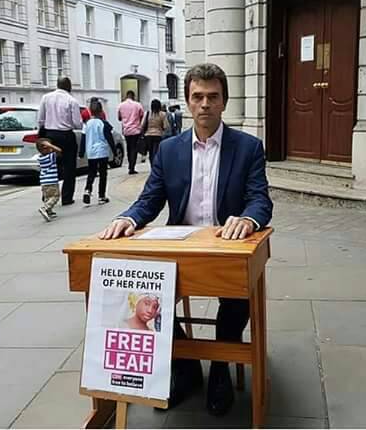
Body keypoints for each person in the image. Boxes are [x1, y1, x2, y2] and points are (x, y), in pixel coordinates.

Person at [99, 63, 273, 417]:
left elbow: (260, 198)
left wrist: (248, 218)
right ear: (188, 102)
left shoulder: (249, 147)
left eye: (213, 97)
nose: (205, 104)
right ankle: (185, 364)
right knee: (142, 290)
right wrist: (128, 217)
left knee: (238, 289)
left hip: (226, 248)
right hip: (180, 244)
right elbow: (151, 198)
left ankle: (221, 367)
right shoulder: (169, 149)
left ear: (224, 102)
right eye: (198, 97)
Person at [37, 77, 83, 206]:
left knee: (49, 166)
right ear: (69, 86)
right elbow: (77, 124)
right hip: (66, 135)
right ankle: (67, 197)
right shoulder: (72, 100)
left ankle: (47, 195)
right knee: (69, 168)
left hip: (50, 135)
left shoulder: (46, 98)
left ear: (57, 85)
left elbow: (41, 119)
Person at [83, 99, 113, 206]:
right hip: (102, 151)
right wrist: (113, 150)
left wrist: (82, 153)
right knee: (103, 174)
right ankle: (101, 196)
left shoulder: (86, 124)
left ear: (90, 111)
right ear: (101, 111)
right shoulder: (103, 123)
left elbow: (83, 139)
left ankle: (87, 190)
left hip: (91, 152)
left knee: (91, 172)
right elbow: (109, 138)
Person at [117, 90, 144, 175]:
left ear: (126, 96)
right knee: (134, 149)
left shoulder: (121, 105)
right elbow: (142, 115)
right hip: (136, 130)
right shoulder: (138, 105)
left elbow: (119, 118)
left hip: (126, 130)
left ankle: (130, 164)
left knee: (128, 148)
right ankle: (132, 166)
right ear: (133, 96)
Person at [36, 138, 62, 222]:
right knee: (55, 196)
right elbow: (59, 150)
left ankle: (49, 212)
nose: (52, 149)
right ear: (45, 148)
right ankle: (45, 208)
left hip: (44, 182)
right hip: (52, 181)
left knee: (48, 197)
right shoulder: (50, 157)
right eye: (50, 147)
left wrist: (48, 146)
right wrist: (50, 145)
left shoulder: (40, 158)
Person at [142, 99, 169, 164]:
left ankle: (152, 165)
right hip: (158, 135)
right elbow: (166, 126)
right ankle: (156, 164)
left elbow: (142, 124)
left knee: (151, 152)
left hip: (148, 135)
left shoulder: (147, 113)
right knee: (157, 152)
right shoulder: (162, 114)